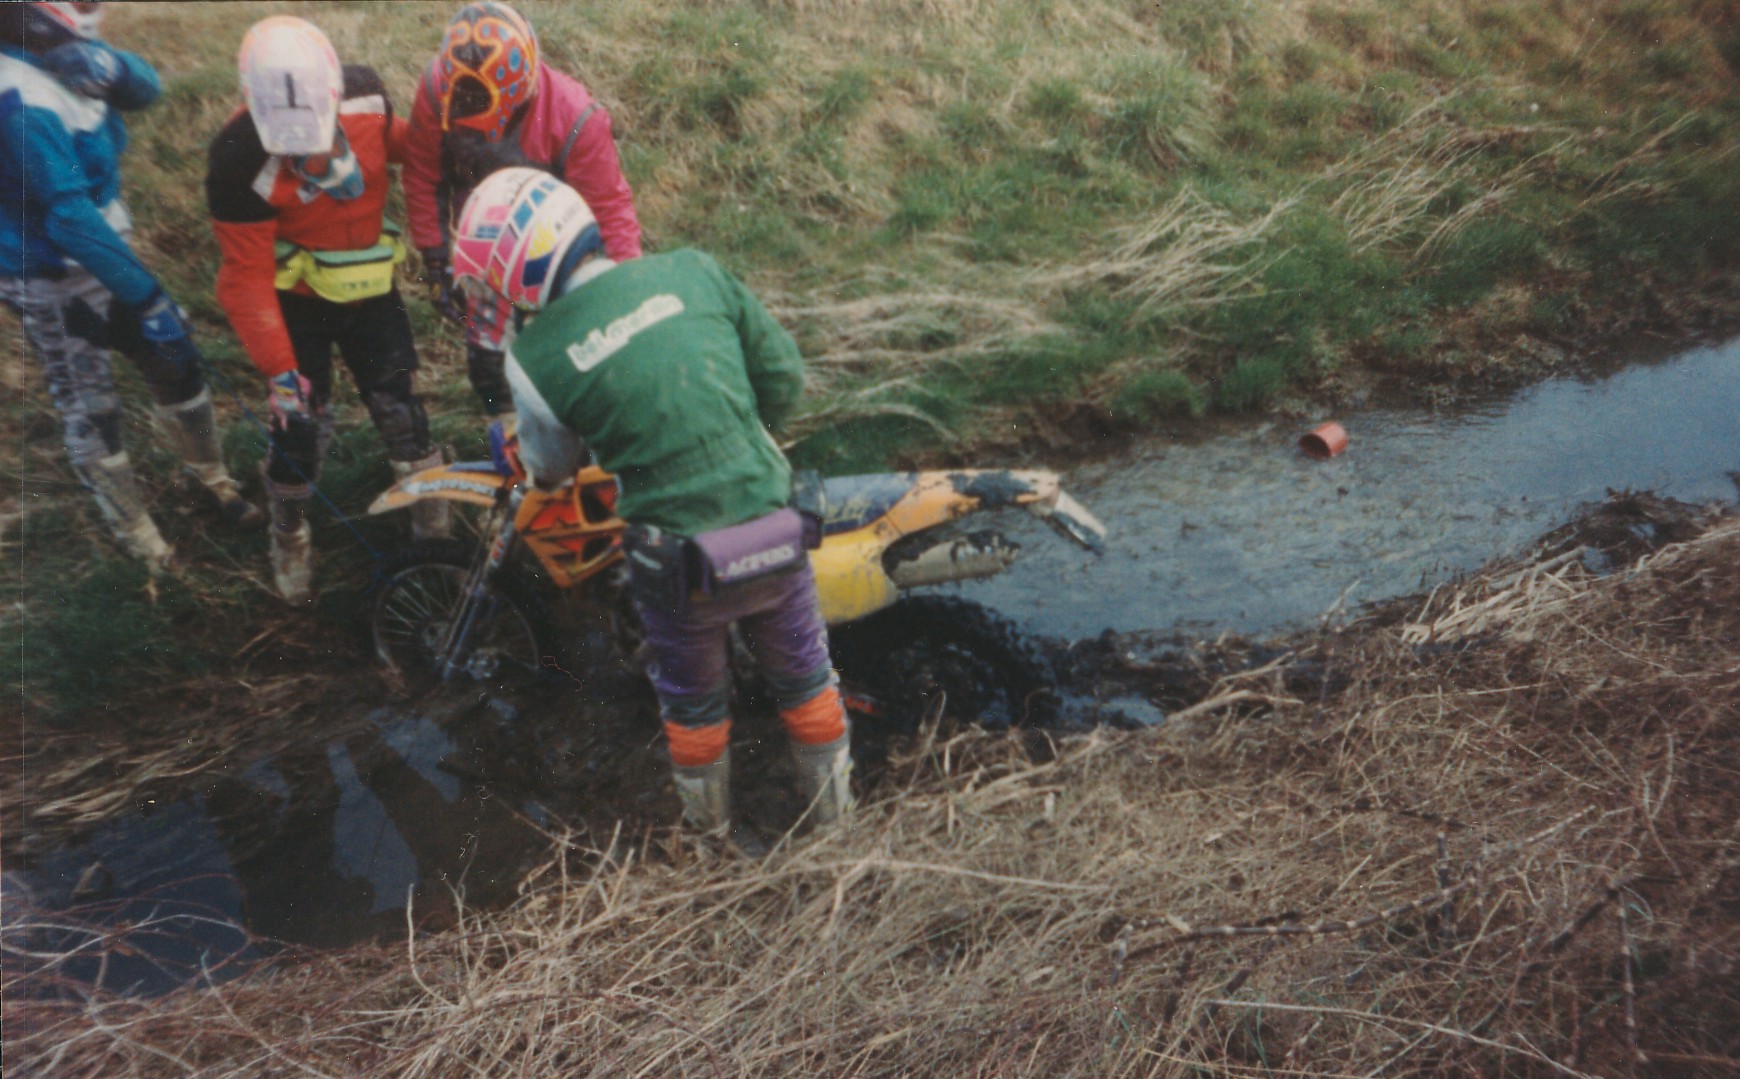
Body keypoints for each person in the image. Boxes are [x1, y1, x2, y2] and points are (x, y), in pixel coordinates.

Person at [449, 167, 850, 838]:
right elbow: (784, 378)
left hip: (681, 564)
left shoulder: (534, 358)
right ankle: (841, 831)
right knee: (808, 679)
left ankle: (712, 840)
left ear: (517, 276)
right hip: (775, 527)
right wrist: (736, 442)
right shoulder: (694, 269)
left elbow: (551, 466)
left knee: (694, 706)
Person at [1, 1, 262, 571]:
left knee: (175, 359)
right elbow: (66, 215)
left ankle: (209, 477)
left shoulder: (59, 59)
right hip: (49, 271)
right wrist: (147, 294)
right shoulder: (19, 100)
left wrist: (112, 68)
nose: (93, 9)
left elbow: (146, 91)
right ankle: (137, 533)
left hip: (103, 243)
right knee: (92, 404)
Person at [206, 16, 449, 603]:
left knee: (401, 411)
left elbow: (418, 152)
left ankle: (436, 536)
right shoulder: (239, 159)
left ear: (334, 92)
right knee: (300, 428)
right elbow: (245, 277)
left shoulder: (367, 100)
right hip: (295, 303)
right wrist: (279, 369)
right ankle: (288, 534)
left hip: (371, 292)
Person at [402, 0, 642, 423]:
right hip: (487, 242)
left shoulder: (574, 117)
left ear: (520, 89)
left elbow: (609, 209)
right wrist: (435, 257)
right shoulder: (436, 90)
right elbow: (423, 174)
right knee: (489, 366)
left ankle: (584, 441)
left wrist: (622, 295)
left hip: (564, 241)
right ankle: (512, 440)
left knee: (581, 358)